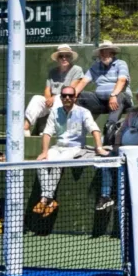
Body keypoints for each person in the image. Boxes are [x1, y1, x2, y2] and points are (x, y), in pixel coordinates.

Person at [34, 86, 108, 216]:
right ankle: (50, 201)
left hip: (75, 148)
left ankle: (45, 199)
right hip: (58, 147)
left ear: (75, 97)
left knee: (57, 163)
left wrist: (99, 147)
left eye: (70, 96)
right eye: (64, 95)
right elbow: (47, 133)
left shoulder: (84, 112)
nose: (67, 98)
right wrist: (44, 152)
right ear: (61, 98)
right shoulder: (55, 112)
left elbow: (95, 130)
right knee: (40, 163)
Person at [24, 45, 84, 135]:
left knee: (60, 99)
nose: (64, 58)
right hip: (52, 100)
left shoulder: (77, 70)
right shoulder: (52, 72)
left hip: (68, 100)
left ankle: (53, 130)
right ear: (57, 59)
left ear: (71, 58)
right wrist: (48, 99)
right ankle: (25, 129)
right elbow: (47, 89)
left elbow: (71, 89)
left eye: (67, 56)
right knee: (36, 99)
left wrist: (54, 98)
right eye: (61, 56)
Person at [73, 40, 132, 132]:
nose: (104, 55)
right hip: (101, 101)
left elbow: (122, 80)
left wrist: (113, 95)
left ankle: (110, 127)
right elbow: (84, 81)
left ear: (113, 53)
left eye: (107, 52)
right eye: (102, 52)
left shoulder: (121, 63)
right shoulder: (95, 66)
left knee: (119, 96)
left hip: (121, 99)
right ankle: (77, 126)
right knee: (80, 96)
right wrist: (73, 94)